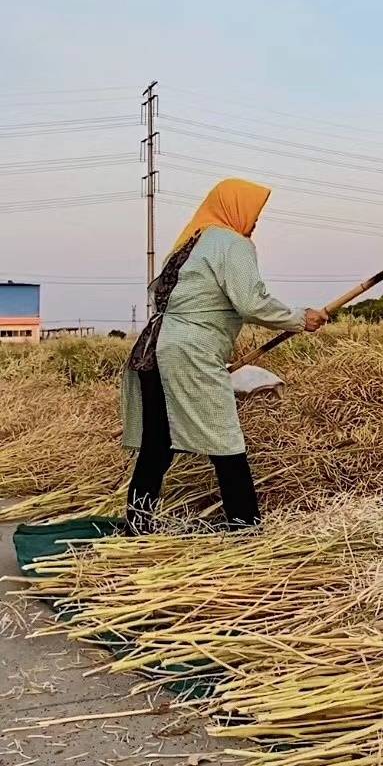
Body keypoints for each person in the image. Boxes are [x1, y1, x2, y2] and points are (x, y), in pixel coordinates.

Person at [122, 178, 328, 534]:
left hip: (155, 349)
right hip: (190, 353)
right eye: (254, 215)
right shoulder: (231, 243)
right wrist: (300, 318)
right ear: (235, 209)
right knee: (225, 438)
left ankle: (137, 527)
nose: (255, 223)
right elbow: (250, 302)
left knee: (158, 445)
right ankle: (245, 528)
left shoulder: (191, 243)